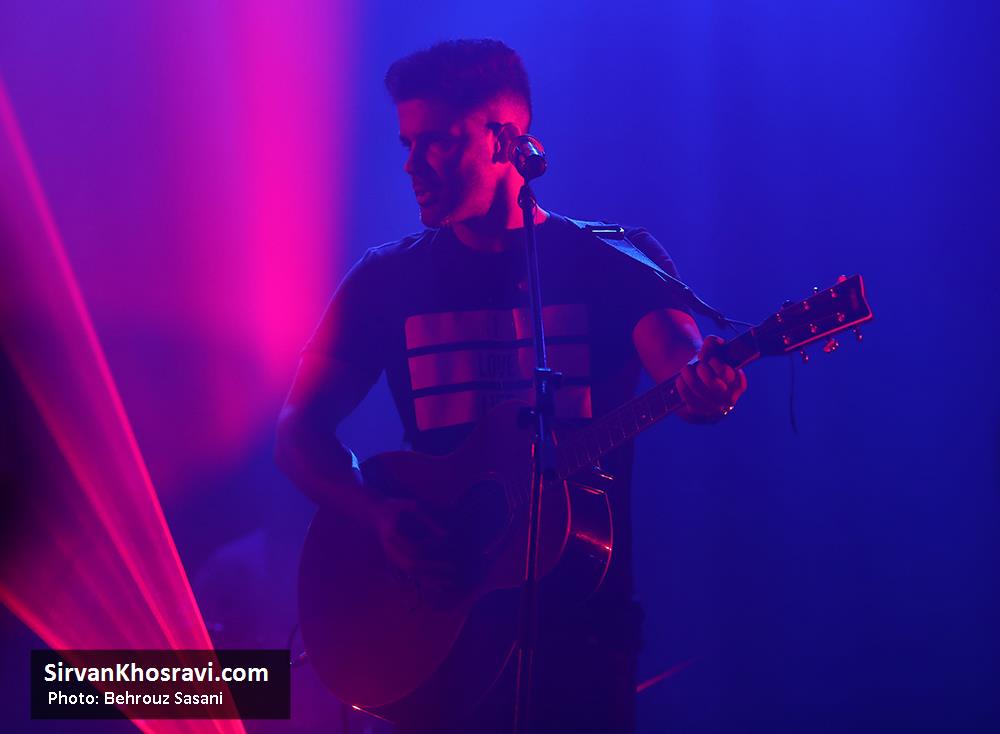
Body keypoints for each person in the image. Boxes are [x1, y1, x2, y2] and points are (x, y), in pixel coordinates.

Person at [276, 39, 747, 734]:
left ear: (507, 142)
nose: (411, 165)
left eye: (436, 142)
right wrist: (376, 514)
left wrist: (705, 380)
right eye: (407, 144)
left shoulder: (614, 260)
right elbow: (298, 431)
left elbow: (681, 359)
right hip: (438, 634)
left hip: (584, 637)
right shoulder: (384, 280)